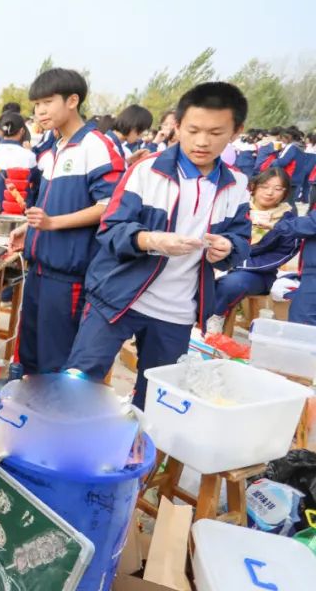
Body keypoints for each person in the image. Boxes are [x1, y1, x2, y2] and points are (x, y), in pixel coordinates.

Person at [67, 82, 251, 407]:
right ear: (177, 126)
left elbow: (241, 239)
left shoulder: (236, 186)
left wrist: (228, 248)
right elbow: (111, 229)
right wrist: (151, 240)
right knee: (79, 380)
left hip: (178, 310)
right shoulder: (146, 171)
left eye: (216, 132)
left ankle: (134, 454)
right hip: (117, 297)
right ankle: (62, 449)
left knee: (155, 399)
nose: (202, 141)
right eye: (193, 130)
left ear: (236, 132)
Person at [8, 68, 125, 375]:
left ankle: (54, 420)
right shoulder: (53, 148)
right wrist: (31, 228)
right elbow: (50, 208)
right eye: (36, 104)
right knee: (30, 357)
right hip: (39, 270)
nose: (40, 111)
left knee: (56, 362)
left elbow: (111, 206)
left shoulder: (95, 145)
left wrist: (53, 223)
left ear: (73, 100)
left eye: (48, 102)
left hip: (68, 277)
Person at [205, 167, 298, 334]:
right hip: (218, 262)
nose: (270, 193)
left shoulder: (288, 219)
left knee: (231, 284)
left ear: (285, 193)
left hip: (258, 274)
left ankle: (214, 320)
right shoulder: (238, 208)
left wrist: (236, 265)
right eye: (264, 187)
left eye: (278, 189)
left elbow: (280, 255)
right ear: (254, 187)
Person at [0, 111, 37, 213]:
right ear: (22, 131)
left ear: (2, 130)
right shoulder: (29, 157)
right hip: (18, 214)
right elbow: (35, 186)